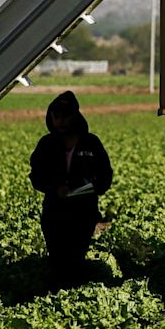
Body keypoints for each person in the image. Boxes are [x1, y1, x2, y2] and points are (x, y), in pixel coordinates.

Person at [29, 91, 112, 288]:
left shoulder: (91, 143)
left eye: (65, 116)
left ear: (75, 116)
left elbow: (105, 176)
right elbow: (37, 176)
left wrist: (89, 187)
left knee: (76, 258)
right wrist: (55, 187)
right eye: (56, 116)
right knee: (57, 258)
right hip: (54, 213)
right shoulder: (46, 144)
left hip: (83, 214)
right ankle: (56, 296)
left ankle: (75, 295)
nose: (60, 121)